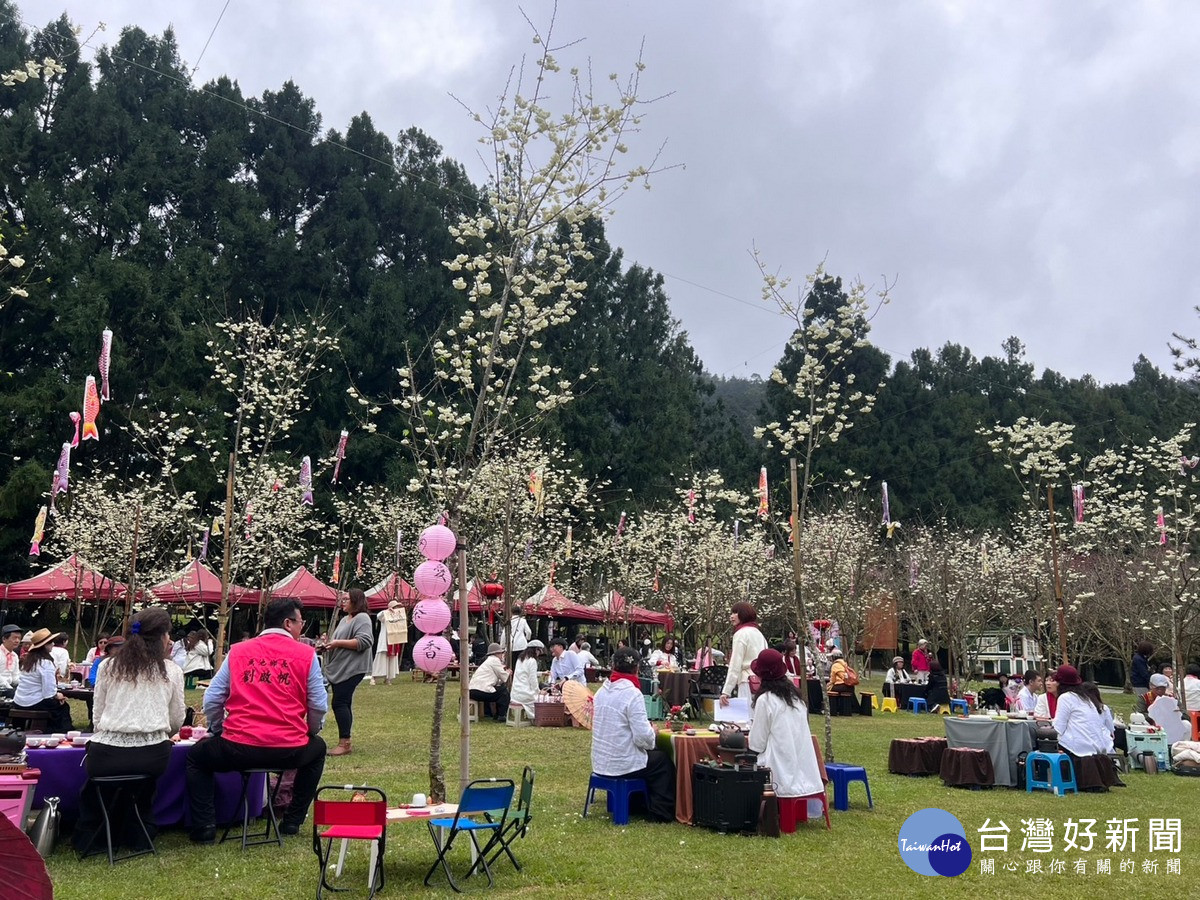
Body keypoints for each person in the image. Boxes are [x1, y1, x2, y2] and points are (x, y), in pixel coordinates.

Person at [186, 597, 328, 842]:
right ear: (287, 623)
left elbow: (212, 698)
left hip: (238, 747)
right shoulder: (306, 655)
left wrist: (218, 729)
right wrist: (311, 731)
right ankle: (293, 820)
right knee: (318, 749)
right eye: (300, 623)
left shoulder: (239, 651)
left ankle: (204, 827)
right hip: (289, 749)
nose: (301, 629)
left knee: (196, 759)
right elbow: (318, 704)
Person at [73, 608, 185, 853]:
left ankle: (93, 837)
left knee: (98, 789)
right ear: (162, 638)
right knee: (142, 790)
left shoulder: (107, 666)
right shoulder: (171, 671)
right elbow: (177, 719)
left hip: (106, 756)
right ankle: (139, 835)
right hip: (153, 756)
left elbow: (97, 715)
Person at [590, 647, 675, 822]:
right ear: (636, 669)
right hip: (622, 762)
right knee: (662, 761)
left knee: (651, 759)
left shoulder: (601, 692)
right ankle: (660, 812)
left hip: (600, 761)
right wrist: (653, 731)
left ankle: (636, 804)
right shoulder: (632, 694)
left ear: (613, 665)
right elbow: (643, 738)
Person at [747, 649, 823, 833]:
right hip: (804, 767)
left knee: (744, 761)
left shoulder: (766, 700)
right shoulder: (797, 699)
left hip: (778, 768)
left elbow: (757, 743)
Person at [319, 588, 374, 756]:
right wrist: (327, 644)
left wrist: (337, 643)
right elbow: (339, 641)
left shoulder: (362, 618)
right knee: (344, 702)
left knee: (339, 703)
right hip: (340, 666)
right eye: (342, 599)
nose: (342, 602)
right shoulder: (345, 620)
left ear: (356, 601)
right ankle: (345, 741)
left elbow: (365, 641)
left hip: (352, 668)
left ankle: (345, 743)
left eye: (346, 599)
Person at [1051, 665, 1118, 791]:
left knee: (1045, 740)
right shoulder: (1086, 698)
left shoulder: (1065, 698)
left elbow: (1058, 728)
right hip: (1095, 744)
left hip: (1078, 745)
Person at [12, 629, 73, 732]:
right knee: (63, 707)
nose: (53, 644)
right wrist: (58, 695)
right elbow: (48, 692)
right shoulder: (45, 663)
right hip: (34, 702)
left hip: (19, 701)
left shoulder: (28, 661)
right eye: (50, 642)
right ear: (44, 645)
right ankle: (59, 734)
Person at [720, 601, 768, 706]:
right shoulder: (759, 634)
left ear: (743, 614)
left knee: (746, 718)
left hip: (746, 681)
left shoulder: (740, 634)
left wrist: (726, 691)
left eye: (735, 613)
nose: (731, 617)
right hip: (761, 681)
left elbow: (735, 664)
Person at [469, 643, 510, 722]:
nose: (502, 655)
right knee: (504, 691)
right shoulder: (494, 660)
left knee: (497, 690)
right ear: (496, 654)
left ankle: (490, 713)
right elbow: (504, 677)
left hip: (473, 690)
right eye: (501, 653)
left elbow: (496, 680)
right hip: (480, 691)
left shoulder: (488, 661)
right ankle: (501, 715)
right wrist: (508, 672)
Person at [370, 600, 407, 685]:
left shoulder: (398, 616)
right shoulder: (385, 615)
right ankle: (374, 677)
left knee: (392, 659)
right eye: (396, 607)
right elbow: (379, 616)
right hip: (385, 641)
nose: (398, 609)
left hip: (394, 640)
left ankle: (388, 678)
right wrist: (387, 611)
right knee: (381, 658)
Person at [511, 640, 544, 718]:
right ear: (536, 650)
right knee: (544, 699)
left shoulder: (520, 659)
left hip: (515, 694)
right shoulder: (532, 661)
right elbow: (533, 680)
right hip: (526, 695)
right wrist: (538, 692)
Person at [0, 624, 23, 692]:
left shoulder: (14, 655)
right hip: (4, 687)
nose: (17, 641)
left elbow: (15, 677)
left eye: (19, 638)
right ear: (4, 639)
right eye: (14, 638)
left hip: (9, 687)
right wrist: (10, 689)